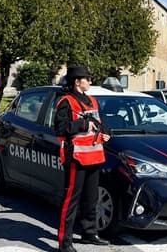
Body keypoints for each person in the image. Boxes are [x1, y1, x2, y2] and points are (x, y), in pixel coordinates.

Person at [54, 66, 111, 252]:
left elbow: (100, 123)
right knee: (71, 201)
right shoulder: (66, 102)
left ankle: (89, 233)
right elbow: (61, 128)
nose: (90, 81)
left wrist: (106, 132)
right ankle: (65, 242)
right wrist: (82, 124)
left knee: (91, 199)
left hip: (94, 156)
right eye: (87, 78)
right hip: (76, 158)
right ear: (77, 82)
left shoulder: (92, 100)